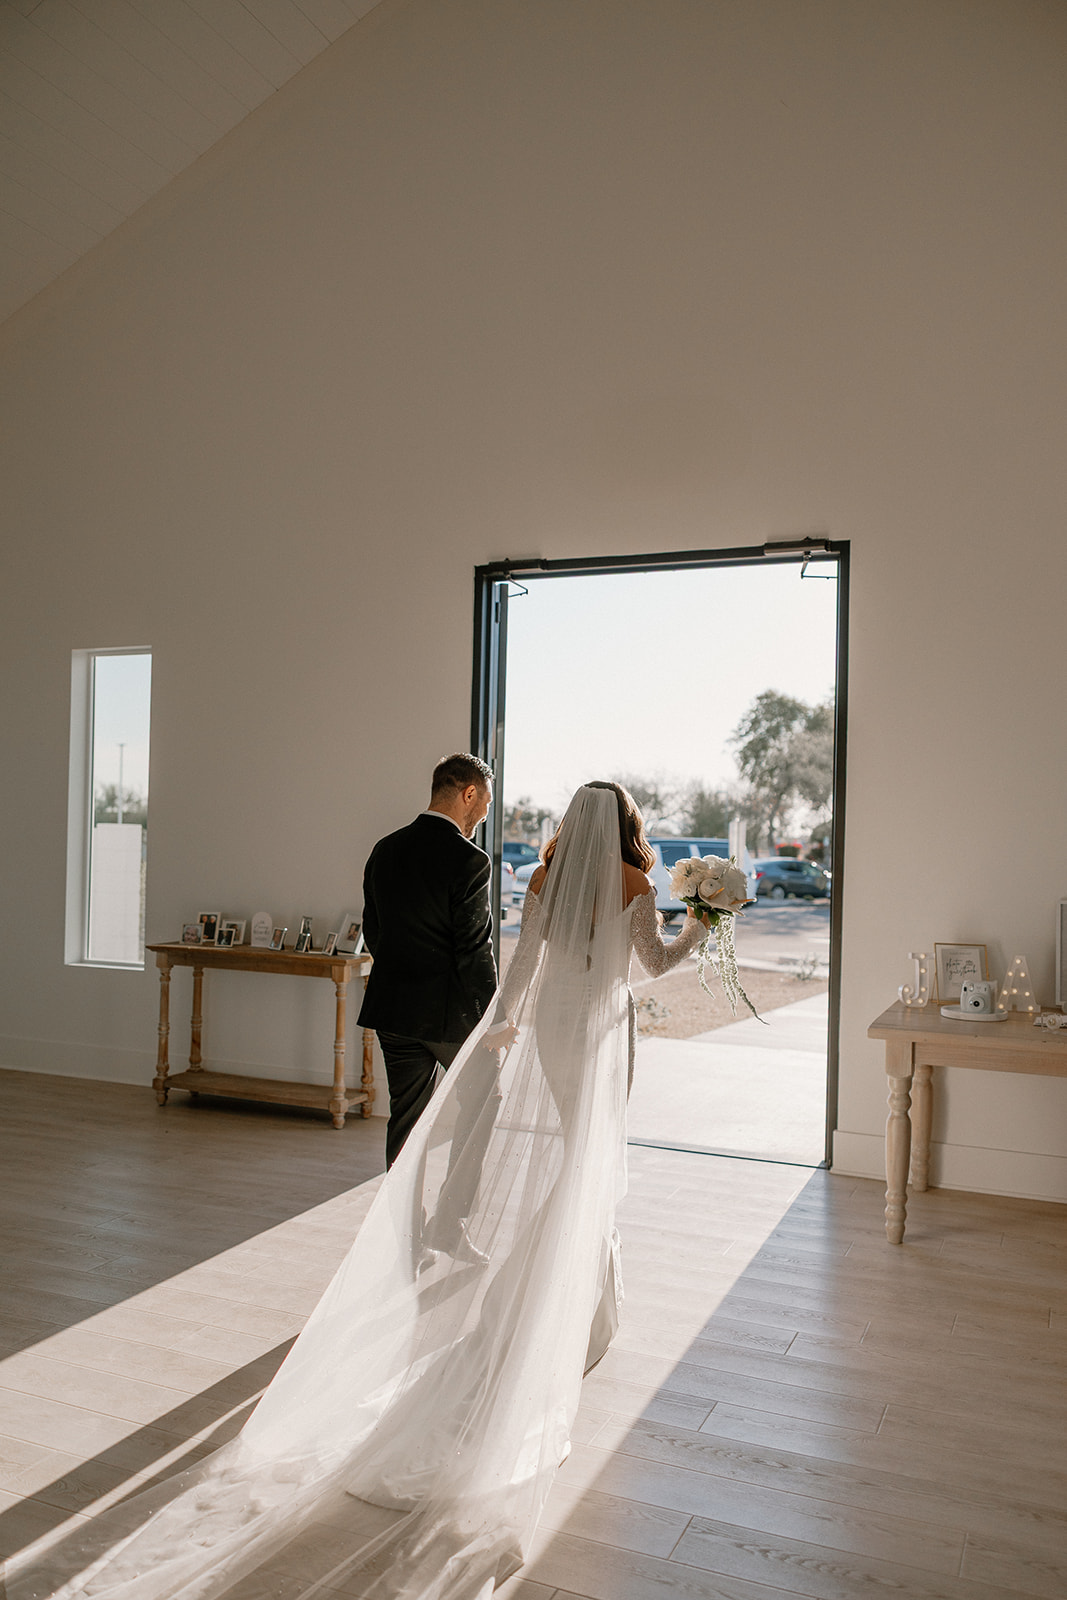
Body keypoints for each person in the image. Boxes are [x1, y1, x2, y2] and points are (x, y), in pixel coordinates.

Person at [11, 784, 705, 1600]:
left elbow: (522, 962)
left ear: (569, 827)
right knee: (593, 1163)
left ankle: (559, 1288)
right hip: (600, 1029)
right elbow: (651, 967)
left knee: (565, 1160)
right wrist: (705, 923)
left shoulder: (545, 880)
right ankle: (579, 1296)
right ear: (624, 824)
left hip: (552, 1027)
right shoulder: (635, 886)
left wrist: (502, 1024)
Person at [358, 753, 498, 1168]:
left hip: (392, 1008)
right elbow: (475, 951)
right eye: (486, 805)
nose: (484, 816)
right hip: (447, 1016)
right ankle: (451, 1216)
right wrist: (492, 1018)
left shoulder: (386, 849)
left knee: (406, 1118)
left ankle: (401, 1225)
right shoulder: (471, 860)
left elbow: (374, 930)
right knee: (486, 1098)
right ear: (468, 793)